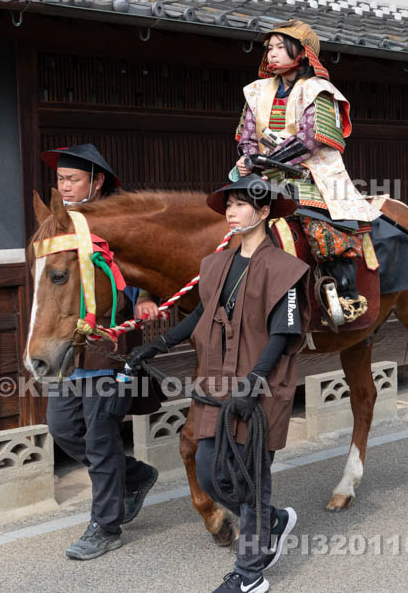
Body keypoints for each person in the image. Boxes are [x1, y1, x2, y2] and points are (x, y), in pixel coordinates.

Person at [129, 175, 307, 592]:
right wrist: (154, 346)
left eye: (242, 204)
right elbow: (200, 316)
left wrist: (254, 383)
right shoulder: (214, 265)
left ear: (263, 213)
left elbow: (283, 333)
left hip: (259, 386)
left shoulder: (287, 269)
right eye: (229, 204)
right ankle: (273, 521)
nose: (231, 211)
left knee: (250, 478)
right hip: (215, 383)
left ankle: (249, 576)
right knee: (211, 475)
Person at [39, 144, 161, 559]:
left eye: (72, 179)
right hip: (68, 349)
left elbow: (148, 261)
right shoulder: (58, 225)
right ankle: (136, 475)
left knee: (100, 436)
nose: (65, 186)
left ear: (98, 181)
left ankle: (105, 526)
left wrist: (144, 294)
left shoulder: (118, 221)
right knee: (63, 428)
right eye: (60, 179)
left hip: (109, 346)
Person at [232, 19, 382, 326]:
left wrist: (268, 159)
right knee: (231, 212)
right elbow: (246, 134)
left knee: (322, 229)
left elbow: (312, 138)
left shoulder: (318, 90)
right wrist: (248, 158)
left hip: (310, 175)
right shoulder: (256, 91)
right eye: (269, 48)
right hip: (262, 177)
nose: (271, 54)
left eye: (279, 47)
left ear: (302, 53)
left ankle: (344, 296)